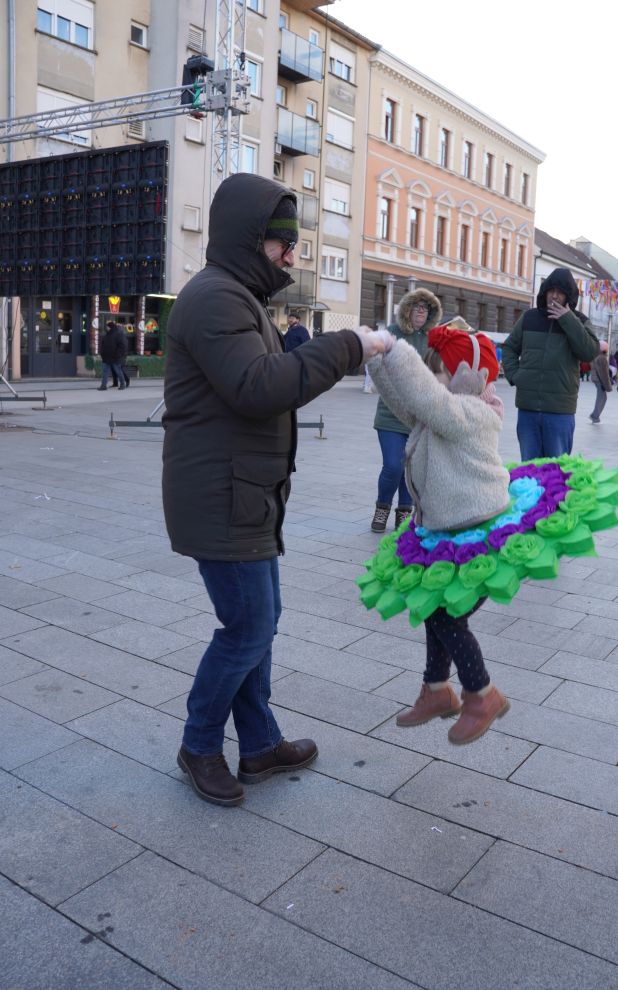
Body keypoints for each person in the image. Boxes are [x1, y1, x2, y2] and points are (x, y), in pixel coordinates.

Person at [161, 173, 388, 807]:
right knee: (249, 626)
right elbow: (259, 386)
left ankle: (258, 743)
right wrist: (349, 346)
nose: (290, 256)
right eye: (280, 244)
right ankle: (199, 743)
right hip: (222, 496)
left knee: (258, 623)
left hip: (246, 493)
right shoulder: (213, 299)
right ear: (247, 239)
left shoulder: (237, 296)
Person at [366, 324, 510, 744]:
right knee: (436, 610)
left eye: (439, 375)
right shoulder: (443, 413)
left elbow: (425, 397)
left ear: (471, 376)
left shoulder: (472, 414)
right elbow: (405, 401)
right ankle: (436, 691)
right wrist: (374, 361)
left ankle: (482, 694)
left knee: (445, 615)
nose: (432, 384)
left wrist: (394, 348)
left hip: (477, 538)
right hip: (446, 534)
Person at [501, 268, 599, 459]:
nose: (554, 296)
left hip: (559, 412)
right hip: (528, 410)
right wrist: (515, 376)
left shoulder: (579, 321)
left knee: (557, 472)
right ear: (544, 291)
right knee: (530, 472)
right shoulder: (529, 318)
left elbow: (589, 352)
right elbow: (509, 348)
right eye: (551, 290)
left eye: (560, 292)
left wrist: (567, 319)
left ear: (568, 296)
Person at [371, 288, 442, 533]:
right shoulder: (392, 334)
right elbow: (376, 362)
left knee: (411, 469)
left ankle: (404, 513)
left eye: (426, 308)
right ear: (407, 310)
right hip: (390, 414)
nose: (422, 311)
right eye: (417, 306)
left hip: (418, 416)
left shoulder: (432, 338)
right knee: (393, 465)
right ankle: (382, 508)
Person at [97, 321, 127, 390]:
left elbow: (122, 346)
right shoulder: (107, 335)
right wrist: (102, 353)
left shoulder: (118, 334)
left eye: (107, 326)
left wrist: (117, 354)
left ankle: (123, 384)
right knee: (105, 372)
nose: (106, 328)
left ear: (110, 327)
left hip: (114, 358)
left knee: (118, 371)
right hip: (106, 357)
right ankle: (103, 386)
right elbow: (103, 345)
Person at [588, 340, 612, 424]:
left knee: (602, 397)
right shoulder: (602, 357)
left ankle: (595, 415)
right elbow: (603, 373)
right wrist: (607, 385)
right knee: (602, 397)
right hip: (600, 379)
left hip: (596, 378)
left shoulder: (596, 355)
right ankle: (595, 416)